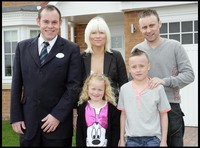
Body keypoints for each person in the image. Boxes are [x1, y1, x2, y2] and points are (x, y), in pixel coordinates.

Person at [10, 5, 81, 147]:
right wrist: (16, 117)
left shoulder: (71, 49)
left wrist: (57, 115)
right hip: (28, 124)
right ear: (38, 22)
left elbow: (74, 86)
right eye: (46, 22)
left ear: (60, 23)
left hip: (58, 126)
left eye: (54, 22)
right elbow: (16, 84)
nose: (50, 26)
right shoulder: (22, 47)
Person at [131, 9, 195, 146]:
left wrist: (165, 81)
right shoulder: (137, 50)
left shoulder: (175, 46)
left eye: (152, 25)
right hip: (146, 109)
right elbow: (132, 80)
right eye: (144, 27)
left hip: (171, 107)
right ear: (140, 28)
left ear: (160, 23)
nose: (148, 30)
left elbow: (189, 75)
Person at [118, 48, 171, 147]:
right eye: (134, 67)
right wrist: (121, 139)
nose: (138, 70)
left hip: (153, 139)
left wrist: (164, 141)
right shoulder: (124, 89)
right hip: (131, 139)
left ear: (148, 66)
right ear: (129, 69)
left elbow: (164, 115)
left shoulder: (158, 88)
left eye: (141, 66)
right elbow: (123, 115)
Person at [80, 16, 128, 104]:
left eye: (101, 32)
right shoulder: (81, 58)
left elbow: (124, 85)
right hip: (87, 110)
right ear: (88, 35)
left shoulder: (116, 56)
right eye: (93, 33)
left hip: (112, 108)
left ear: (107, 35)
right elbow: (77, 86)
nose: (98, 36)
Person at [76, 73, 121, 147]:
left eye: (100, 90)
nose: (96, 93)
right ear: (87, 88)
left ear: (105, 90)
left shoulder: (112, 110)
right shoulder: (82, 108)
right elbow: (79, 133)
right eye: (93, 89)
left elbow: (115, 134)